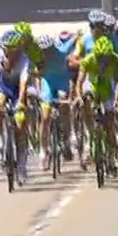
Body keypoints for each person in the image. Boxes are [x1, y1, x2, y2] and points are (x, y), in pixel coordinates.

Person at [75, 36, 118, 173]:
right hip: (91, 85)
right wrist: (79, 97)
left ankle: (111, 158)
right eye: (100, 57)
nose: (103, 61)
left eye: (105, 57)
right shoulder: (88, 60)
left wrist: (117, 101)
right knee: (87, 98)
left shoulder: (114, 59)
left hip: (107, 88)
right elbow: (79, 82)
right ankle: (89, 134)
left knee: (109, 124)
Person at [0, 30, 30, 184]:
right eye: (6, 48)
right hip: (3, 89)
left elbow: (23, 83)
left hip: (17, 91)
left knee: (20, 124)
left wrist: (20, 102)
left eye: (11, 49)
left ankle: (21, 165)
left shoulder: (24, 61)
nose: (8, 52)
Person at [36, 34, 73, 170]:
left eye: (49, 50)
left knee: (64, 109)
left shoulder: (62, 51)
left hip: (62, 83)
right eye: (43, 51)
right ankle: (43, 151)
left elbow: (75, 39)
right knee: (45, 118)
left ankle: (67, 142)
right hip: (48, 85)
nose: (47, 53)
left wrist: (77, 35)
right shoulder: (38, 56)